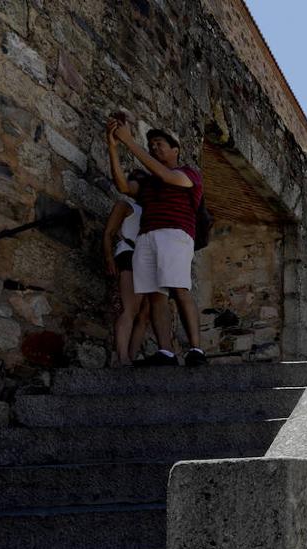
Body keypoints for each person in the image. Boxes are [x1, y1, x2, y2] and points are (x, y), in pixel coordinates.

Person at [106, 115, 206, 366]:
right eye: (152, 145)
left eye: (160, 144)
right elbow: (122, 185)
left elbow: (166, 176)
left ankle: (196, 349)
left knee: (179, 289)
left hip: (174, 234)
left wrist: (129, 141)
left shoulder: (188, 173)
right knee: (155, 296)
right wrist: (113, 147)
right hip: (147, 237)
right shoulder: (149, 183)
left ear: (176, 150)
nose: (155, 148)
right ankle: (166, 352)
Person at [101, 164, 152, 366]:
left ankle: (130, 356)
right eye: (134, 178)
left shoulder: (148, 209)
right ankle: (122, 357)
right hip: (129, 254)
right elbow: (108, 233)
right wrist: (109, 259)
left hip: (145, 258)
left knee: (145, 312)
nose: (133, 182)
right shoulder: (125, 205)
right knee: (129, 309)